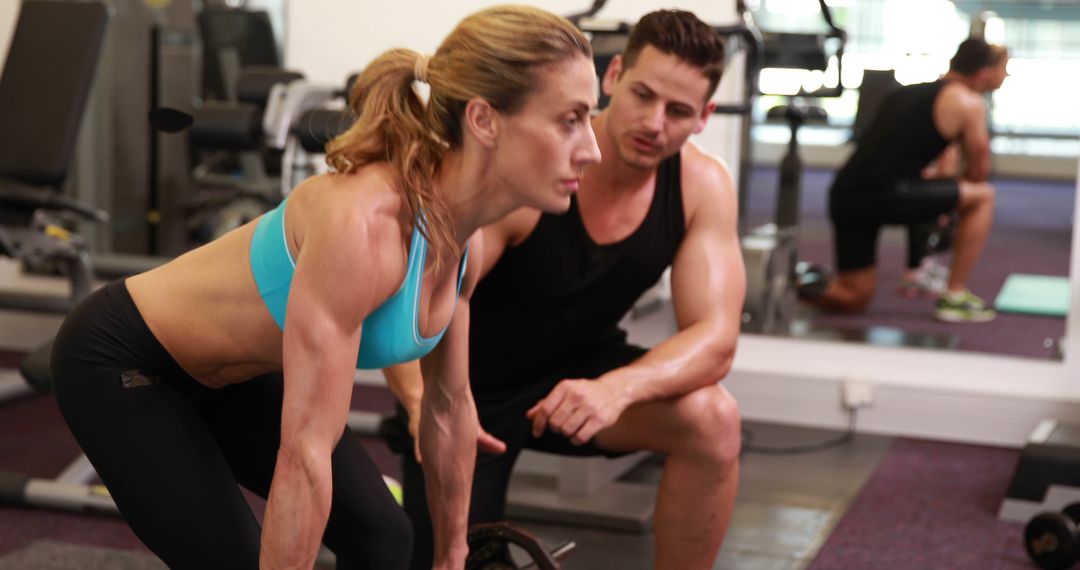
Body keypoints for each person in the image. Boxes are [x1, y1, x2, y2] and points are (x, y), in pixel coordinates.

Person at [48, 6, 600, 569]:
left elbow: (449, 407)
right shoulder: (365, 225)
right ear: (484, 120)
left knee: (385, 539)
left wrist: (453, 556)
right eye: (570, 120)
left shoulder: (467, 241)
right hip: (125, 363)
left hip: (234, 379)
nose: (592, 148)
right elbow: (306, 456)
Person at [387, 10, 745, 570]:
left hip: (578, 373)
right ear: (614, 75)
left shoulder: (702, 186)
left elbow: (717, 338)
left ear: (705, 116)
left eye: (678, 111)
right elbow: (413, 300)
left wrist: (616, 389)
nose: (653, 123)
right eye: (643, 95)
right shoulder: (536, 172)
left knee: (713, 419)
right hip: (466, 388)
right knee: (450, 561)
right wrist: (418, 405)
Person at [815, 38, 1008, 322]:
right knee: (983, 195)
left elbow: (895, 155)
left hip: (847, 194)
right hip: (887, 195)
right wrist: (948, 203)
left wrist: (938, 187)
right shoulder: (968, 103)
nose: (1005, 76)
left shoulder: (904, 93)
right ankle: (954, 296)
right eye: (1003, 69)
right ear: (984, 73)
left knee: (854, 296)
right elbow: (978, 174)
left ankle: (788, 283)